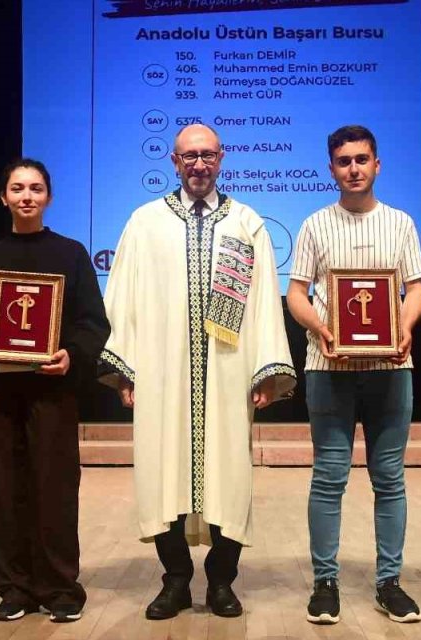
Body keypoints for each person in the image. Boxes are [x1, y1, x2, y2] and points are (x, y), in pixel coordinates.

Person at [98, 124, 297, 620]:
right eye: (189, 156)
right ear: (174, 161)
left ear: (222, 158)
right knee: (162, 472)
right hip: (162, 373)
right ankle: (176, 580)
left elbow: (263, 302)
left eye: (207, 155)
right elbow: (122, 297)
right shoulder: (145, 222)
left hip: (229, 373)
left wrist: (265, 370)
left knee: (230, 475)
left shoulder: (246, 223)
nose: (199, 165)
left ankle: (222, 581)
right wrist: (127, 370)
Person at [286, 125, 421, 625]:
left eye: (361, 159)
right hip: (330, 368)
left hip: (391, 368)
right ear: (331, 169)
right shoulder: (314, 225)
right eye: (344, 161)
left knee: (389, 478)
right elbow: (297, 293)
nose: (353, 169)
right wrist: (321, 329)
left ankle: (389, 582)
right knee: (329, 477)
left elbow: (415, 289)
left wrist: (404, 328)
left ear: (377, 165)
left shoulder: (401, 223)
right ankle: (325, 583)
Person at [0, 159, 110, 623]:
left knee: (55, 488)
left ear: (48, 197)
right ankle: (14, 588)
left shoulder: (71, 254)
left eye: (36, 188)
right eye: (17, 188)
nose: (26, 196)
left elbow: (93, 321)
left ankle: (60, 587)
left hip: (53, 390)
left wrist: (72, 355)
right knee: (3, 490)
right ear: (3, 197)